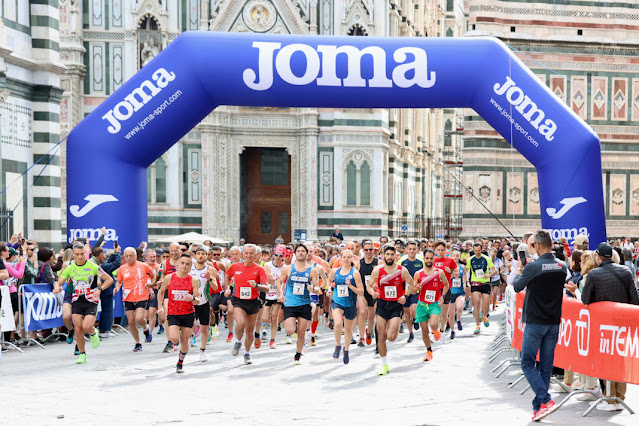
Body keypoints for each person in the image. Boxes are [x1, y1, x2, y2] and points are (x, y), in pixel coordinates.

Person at [514, 230, 567, 421]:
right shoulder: (562, 266)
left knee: (527, 363)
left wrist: (521, 268)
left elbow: (517, 286)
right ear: (551, 245)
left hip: (536, 321)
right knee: (545, 366)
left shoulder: (533, 267)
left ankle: (546, 399)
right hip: (553, 321)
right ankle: (539, 407)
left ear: (536, 245)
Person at [581, 242, 639, 411]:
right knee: (620, 359)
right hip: (623, 323)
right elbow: (634, 299)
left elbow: (585, 300)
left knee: (605, 358)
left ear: (598, 257)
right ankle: (619, 398)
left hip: (603, 325)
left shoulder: (594, 274)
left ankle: (609, 399)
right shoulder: (626, 271)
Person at [54, 243, 114, 364]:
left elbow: (109, 279)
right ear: (73, 255)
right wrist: (57, 287)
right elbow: (59, 281)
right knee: (78, 329)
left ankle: (93, 332)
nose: (80, 257)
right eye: (77, 254)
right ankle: (82, 354)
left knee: (86, 327)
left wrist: (99, 289)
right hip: (77, 301)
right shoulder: (70, 267)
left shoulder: (93, 266)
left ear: (86, 254)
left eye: (82, 254)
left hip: (91, 300)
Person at [366, 244, 414, 376]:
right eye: (387, 254)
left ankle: (391, 330)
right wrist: (373, 293)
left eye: (392, 254)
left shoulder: (401, 270)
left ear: (395, 256)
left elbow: (412, 283)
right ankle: (384, 365)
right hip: (382, 303)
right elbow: (369, 286)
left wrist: (405, 295)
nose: (390, 257)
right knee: (381, 336)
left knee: (391, 337)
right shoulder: (377, 270)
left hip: (396, 304)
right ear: (383, 255)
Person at [157, 254, 201, 373]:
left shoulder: (194, 280)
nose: (184, 266)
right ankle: (175, 343)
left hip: (188, 313)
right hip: (173, 313)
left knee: (185, 339)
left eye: (187, 264)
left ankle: (180, 362)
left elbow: (198, 299)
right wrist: (159, 306)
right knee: (174, 339)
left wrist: (192, 298)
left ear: (191, 266)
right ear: (178, 264)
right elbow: (161, 292)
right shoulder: (169, 278)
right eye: (182, 263)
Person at [226, 244, 269, 365]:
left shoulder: (259, 269)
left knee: (250, 330)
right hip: (239, 300)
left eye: (251, 253)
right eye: (246, 253)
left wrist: (256, 285)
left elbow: (267, 288)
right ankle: (238, 341)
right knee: (241, 323)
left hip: (253, 301)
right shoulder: (235, 266)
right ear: (242, 254)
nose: (249, 255)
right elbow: (227, 276)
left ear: (256, 255)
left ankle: (247, 353)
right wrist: (227, 288)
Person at [278, 244, 320, 365]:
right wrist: (281, 294)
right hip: (290, 303)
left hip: (304, 303)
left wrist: (313, 289)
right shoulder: (288, 268)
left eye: (303, 251)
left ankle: (298, 354)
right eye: (298, 251)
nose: (301, 253)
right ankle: (295, 329)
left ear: (307, 254)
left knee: (301, 333)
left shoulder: (312, 270)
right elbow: (279, 281)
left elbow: (317, 288)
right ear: (295, 254)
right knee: (291, 330)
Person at [408, 249, 449, 361]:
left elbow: (446, 285)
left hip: (434, 304)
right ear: (424, 258)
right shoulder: (418, 273)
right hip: (422, 304)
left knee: (434, 323)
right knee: (424, 330)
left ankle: (436, 331)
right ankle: (429, 351)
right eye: (427, 258)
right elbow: (411, 290)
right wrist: (415, 289)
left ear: (434, 258)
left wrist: (442, 296)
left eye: (431, 258)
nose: (429, 260)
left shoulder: (439, 272)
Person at [326, 249, 364, 364]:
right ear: (341, 258)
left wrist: (350, 286)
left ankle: (346, 350)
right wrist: (328, 289)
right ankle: (338, 345)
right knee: (337, 323)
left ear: (352, 258)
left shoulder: (355, 273)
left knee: (348, 330)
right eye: (344, 257)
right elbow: (328, 280)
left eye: (349, 257)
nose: (346, 259)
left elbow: (361, 291)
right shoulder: (335, 271)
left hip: (350, 303)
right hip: (337, 301)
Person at [115, 247, 155, 352]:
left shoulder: (144, 266)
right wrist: (117, 287)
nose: (128, 258)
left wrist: (150, 286)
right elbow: (119, 281)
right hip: (128, 297)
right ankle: (138, 343)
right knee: (131, 321)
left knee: (139, 318)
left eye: (131, 256)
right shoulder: (122, 268)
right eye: (126, 256)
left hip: (141, 295)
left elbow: (153, 275)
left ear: (135, 256)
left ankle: (145, 329)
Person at [189, 246, 218, 362]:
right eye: (198, 253)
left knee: (204, 329)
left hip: (204, 301)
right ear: (195, 255)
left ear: (207, 255)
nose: (200, 256)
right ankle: (191, 339)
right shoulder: (189, 268)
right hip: (190, 301)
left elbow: (215, 287)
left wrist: (210, 279)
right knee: (191, 322)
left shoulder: (210, 269)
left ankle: (202, 350)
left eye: (203, 253)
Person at [90, 245, 122, 338]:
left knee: (105, 310)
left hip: (103, 290)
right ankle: (104, 330)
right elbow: (115, 264)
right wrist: (118, 253)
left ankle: (104, 329)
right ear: (99, 255)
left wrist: (114, 253)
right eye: (103, 253)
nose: (104, 256)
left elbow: (109, 263)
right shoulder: (101, 265)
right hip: (106, 290)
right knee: (107, 311)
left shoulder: (99, 263)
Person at [467, 242, 497, 334]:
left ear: (481, 250)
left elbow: (495, 270)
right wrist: (467, 281)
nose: (477, 253)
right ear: (473, 250)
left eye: (479, 251)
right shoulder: (470, 259)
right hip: (475, 283)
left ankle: (484, 316)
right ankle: (477, 325)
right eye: (475, 251)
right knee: (476, 304)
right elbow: (467, 271)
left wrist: (489, 275)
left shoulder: (486, 259)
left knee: (485, 304)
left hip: (485, 283)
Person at [399, 241, 424, 343]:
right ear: (406, 250)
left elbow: (424, 274)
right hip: (405, 290)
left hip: (417, 289)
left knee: (414, 309)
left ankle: (415, 318)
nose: (412, 251)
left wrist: (419, 286)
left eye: (414, 249)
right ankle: (410, 333)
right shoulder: (402, 261)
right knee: (406, 312)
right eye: (410, 249)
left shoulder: (421, 261)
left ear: (417, 250)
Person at [358, 240, 380, 350]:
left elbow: (383, 277)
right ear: (363, 250)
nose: (368, 252)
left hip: (374, 293)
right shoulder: (359, 263)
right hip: (362, 292)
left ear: (374, 250)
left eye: (370, 249)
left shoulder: (378, 263)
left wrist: (377, 284)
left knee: (372, 317)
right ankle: (361, 337)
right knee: (362, 312)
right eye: (366, 250)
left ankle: (369, 332)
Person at [432, 240, 457, 337]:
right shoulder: (432, 260)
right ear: (435, 250)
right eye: (438, 250)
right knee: (434, 313)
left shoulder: (450, 260)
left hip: (446, 290)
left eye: (442, 250)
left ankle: (441, 332)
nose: (440, 252)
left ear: (445, 250)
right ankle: (434, 331)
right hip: (434, 290)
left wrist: (450, 271)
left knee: (443, 314)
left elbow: (457, 273)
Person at [262, 246, 285, 348]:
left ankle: (272, 340)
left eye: (280, 256)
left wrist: (282, 295)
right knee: (265, 318)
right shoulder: (267, 265)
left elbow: (284, 283)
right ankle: (263, 328)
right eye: (276, 255)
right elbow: (266, 278)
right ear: (273, 255)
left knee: (274, 317)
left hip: (277, 295)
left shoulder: (285, 268)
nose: (278, 257)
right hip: (267, 294)